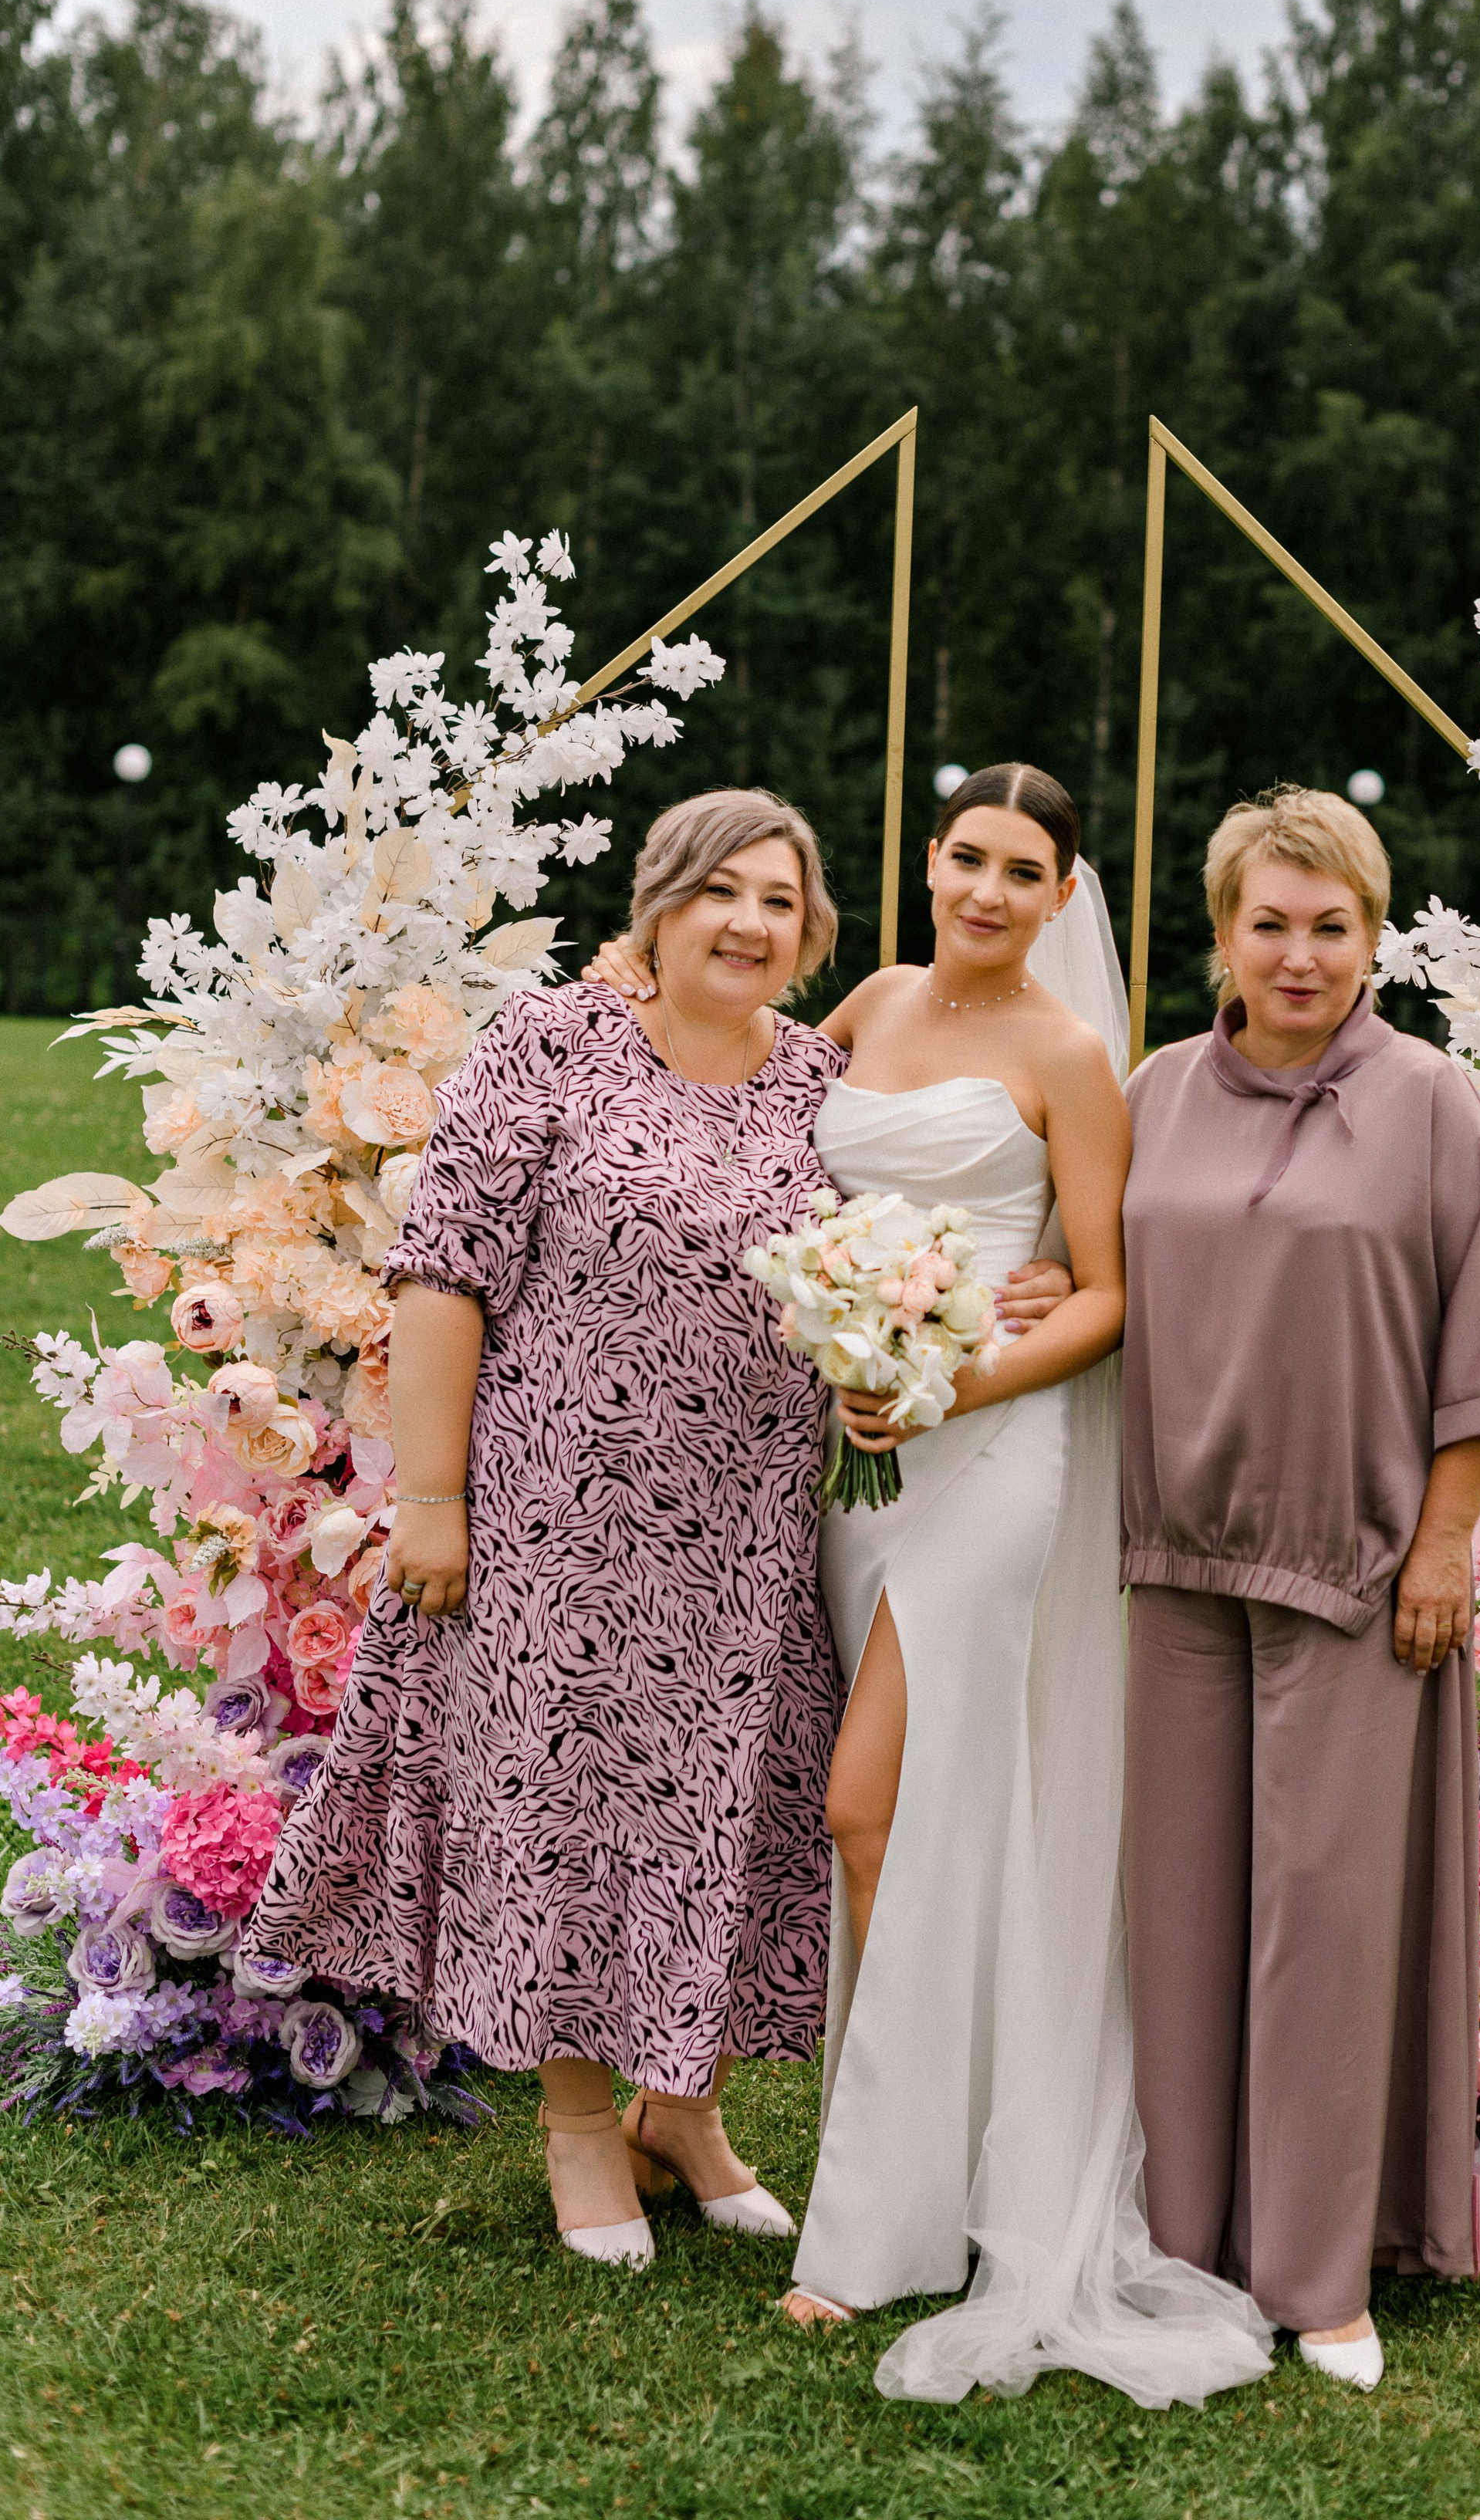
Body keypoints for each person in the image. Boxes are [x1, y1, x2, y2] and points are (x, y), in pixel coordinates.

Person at [251, 789, 1048, 2265]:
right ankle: (576, 2126)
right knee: (564, 1807)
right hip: (557, 1518)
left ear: (811, 931)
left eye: (779, 900)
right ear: (660, 905)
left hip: (752, 1532)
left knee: (726, 1809)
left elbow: (919, 1228)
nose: (748, 923)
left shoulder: (816, 1079)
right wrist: (432, 1500)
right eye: (719, 892)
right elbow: (443, 1275)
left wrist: (1023, 1284)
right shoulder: (550, 1046)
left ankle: (683, 2112)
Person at [591, 765, 1271, 2403]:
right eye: (966, 857)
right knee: (923, 1816)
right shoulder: (873, 1005)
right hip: (861, 1459)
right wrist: (633, 986)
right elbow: (763, 1119)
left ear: (1062, 895)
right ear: (929, 861)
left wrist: (957, 1373)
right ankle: (932, 2150)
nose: (984, 891)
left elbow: (1104, 1292)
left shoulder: (1068, 1055)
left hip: (990, 1446)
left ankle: (879, 2221)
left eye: (1021, 871)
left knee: (864, 1804)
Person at [1117, 785, 1480, 2390]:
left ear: (1372, 939)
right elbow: (1091, 1282)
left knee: (1324, 1920)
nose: (1299, 956)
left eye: (1331, 927)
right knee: (1176, 1915)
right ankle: (1180, 2248)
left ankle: (1317, 2279)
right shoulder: (1153, 1091)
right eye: (1269, 924)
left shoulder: (1430, 1102)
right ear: (1221, 936)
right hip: (1169, 1559)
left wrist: (1442, 1546)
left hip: (1360, 1571)